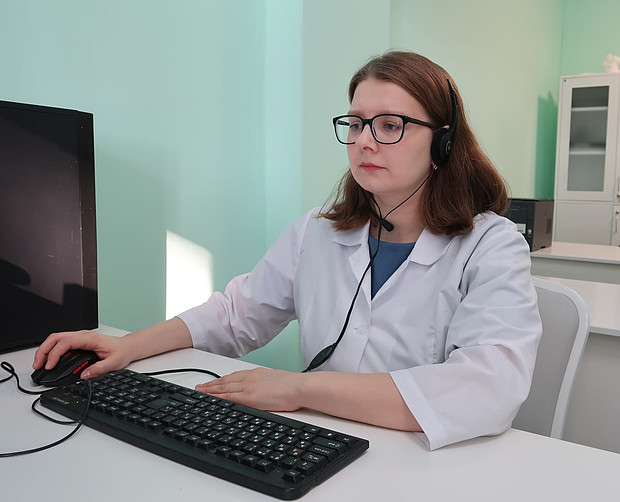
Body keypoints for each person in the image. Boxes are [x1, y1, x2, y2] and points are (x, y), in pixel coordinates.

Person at [33, 51, 541, 450]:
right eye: (356, 123)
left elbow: (488, 388)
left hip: (422, 458)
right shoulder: (319, 231)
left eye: (390, 125)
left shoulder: (490, 245)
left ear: (443, 143)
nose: (365, 141)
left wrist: (297, 389)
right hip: (320, 442)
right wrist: (128, 346)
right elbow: (237, 314)